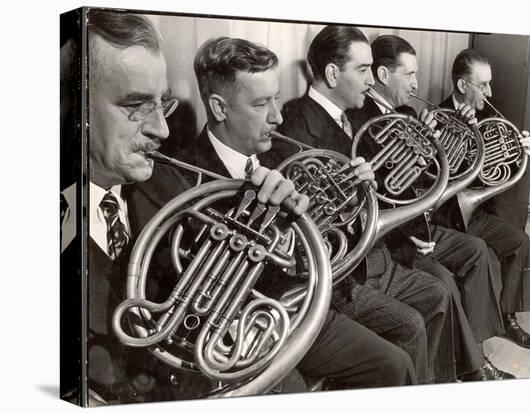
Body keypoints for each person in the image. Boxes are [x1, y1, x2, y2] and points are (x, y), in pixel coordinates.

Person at [126, 35, 416, 395]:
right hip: (241, 332)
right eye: (262, 103)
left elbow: (316, 249)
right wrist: (257, 219)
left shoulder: (280, 152)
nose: (278, 116)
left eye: (276, 98)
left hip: (300, 309)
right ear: (219, 108)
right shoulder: (184, 179)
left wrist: (354, 192)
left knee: (394, 364)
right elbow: (188, 292)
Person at [60, 11, 321, 404]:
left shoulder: (173, 189)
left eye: (159, 104)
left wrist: (270, 221)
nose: (161, 130)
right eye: (134, 106)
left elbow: (236, 298)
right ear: (69, 107)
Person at [277, 25, 458, 384]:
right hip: (342, 276)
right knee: (410, 325)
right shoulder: (296, 127)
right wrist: (352, 190)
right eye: (362, 70)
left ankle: (429, 388)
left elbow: (390, 186)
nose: (370, 80)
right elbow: (309, 224)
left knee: (438, 294)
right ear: (332, 73)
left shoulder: (355, 117)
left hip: (374, 256)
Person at [348, 34, 518, 380]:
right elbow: (382, 191)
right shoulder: (360, 119)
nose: (416, 83)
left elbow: (431, 178)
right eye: (409, 75)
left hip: (422, 226)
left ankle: (479, 350)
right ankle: (466, 371)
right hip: (396, 237)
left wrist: (441, 144)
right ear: (383, 75)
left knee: (476, 250)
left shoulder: (409, 113)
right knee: (442, 283)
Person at [436, 48, 530, 351]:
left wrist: (520, 152)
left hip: (474, 213)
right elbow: (433, 180)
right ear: (463, 86)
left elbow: (497, 174)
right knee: (485, 256)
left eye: (489, 84)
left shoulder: (489, 117)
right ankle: (476, 350)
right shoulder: (437, 119)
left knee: (521, 242)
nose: (490, 92)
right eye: (483, 85)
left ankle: (507, 318)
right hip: (446, 217)